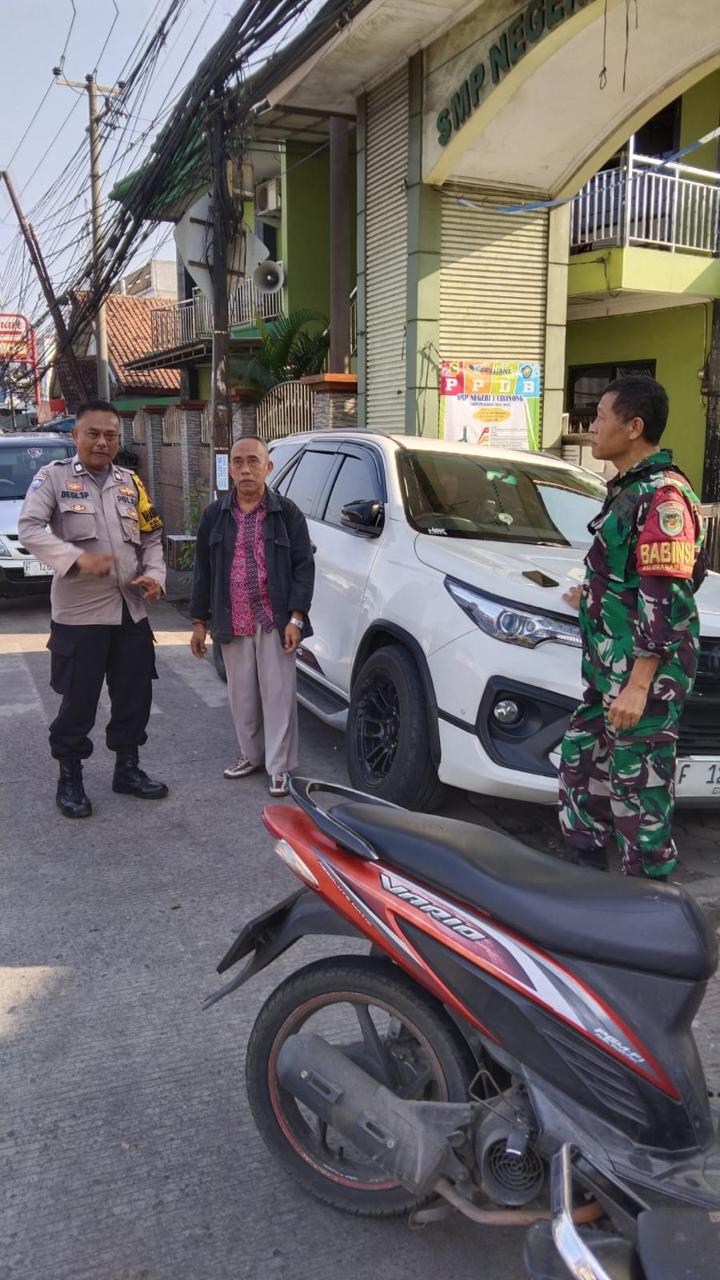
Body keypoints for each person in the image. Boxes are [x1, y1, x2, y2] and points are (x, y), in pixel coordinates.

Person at [558, 376, 705, 880]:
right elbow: (630, 578)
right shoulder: (629, 490)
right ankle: (586, 876)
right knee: (583, 764)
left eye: (600, 416)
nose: (591, 426)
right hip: (608, 673)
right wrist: (593, 596)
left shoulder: (663, 499)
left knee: (637, 795)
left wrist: (639, 685)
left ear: (634, 426)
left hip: (639, 682)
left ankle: (650, 907)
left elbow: (669, 598)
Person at [18, 399, 168, 818]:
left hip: (131, 611)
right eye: (93, 434)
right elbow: (29, 528)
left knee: (135, 696)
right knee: (79, 701)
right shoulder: (53, 478)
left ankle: (128, 769)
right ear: (76, 436)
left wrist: (155, 576)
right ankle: (70, 778)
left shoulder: (131, 483)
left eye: (111, 435)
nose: (102, 442)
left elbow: (153, 536)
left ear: (119, 439)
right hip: (80, 616)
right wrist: (76, 558)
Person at [190, 435, 314, 798]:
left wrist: (296, 618)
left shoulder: (286, 512)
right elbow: (203, 569)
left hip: (273, 619)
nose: (245, 469)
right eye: (238, 461)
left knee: (277, 695)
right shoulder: (215, 514)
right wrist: (199, 623)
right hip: (232, 619)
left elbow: (303, 567)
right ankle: (251, 755)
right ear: (229, 467)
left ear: (268, 467)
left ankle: (280, 768)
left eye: (253, 461)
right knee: (241, 696)